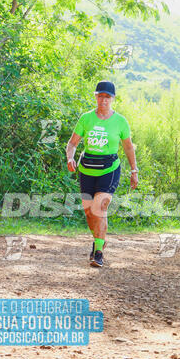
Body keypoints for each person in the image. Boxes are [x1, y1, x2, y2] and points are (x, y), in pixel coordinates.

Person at [66, 81, 138, 267]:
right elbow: (72, 143)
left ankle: (98, 252)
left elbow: (128, 147)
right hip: (87, 168)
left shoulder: (120, 121)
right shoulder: (86, 118)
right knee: (90, 213)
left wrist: (134, 170)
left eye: (107, 97)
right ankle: (99, 238)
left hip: (109, 169)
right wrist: (70, 158)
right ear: (96, 97)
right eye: (100, 96)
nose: (103, 100)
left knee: (100, 208)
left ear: (113, 99)